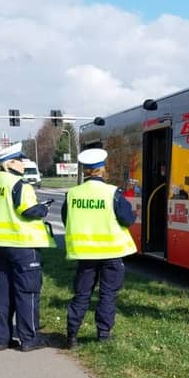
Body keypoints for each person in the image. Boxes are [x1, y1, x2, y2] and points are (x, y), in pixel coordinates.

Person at [62, 148, 137, 348]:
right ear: (102, 169)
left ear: (85, 170)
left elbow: (66, 219)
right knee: (107, 294)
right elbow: (127, 219)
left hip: (85, 253)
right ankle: (103, 334)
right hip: (111, 252)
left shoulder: (72, 194)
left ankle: (72, 336)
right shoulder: (112, 193)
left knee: (81, 294)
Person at [0, 145, 53, 352]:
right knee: (27, 292)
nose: (24, 164)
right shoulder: (19, 184)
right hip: (22, 244)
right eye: (20, 160)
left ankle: (2, 339)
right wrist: (43, 208)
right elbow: (28, 210)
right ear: (11, 163)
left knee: (3, 292)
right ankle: (29, 339)